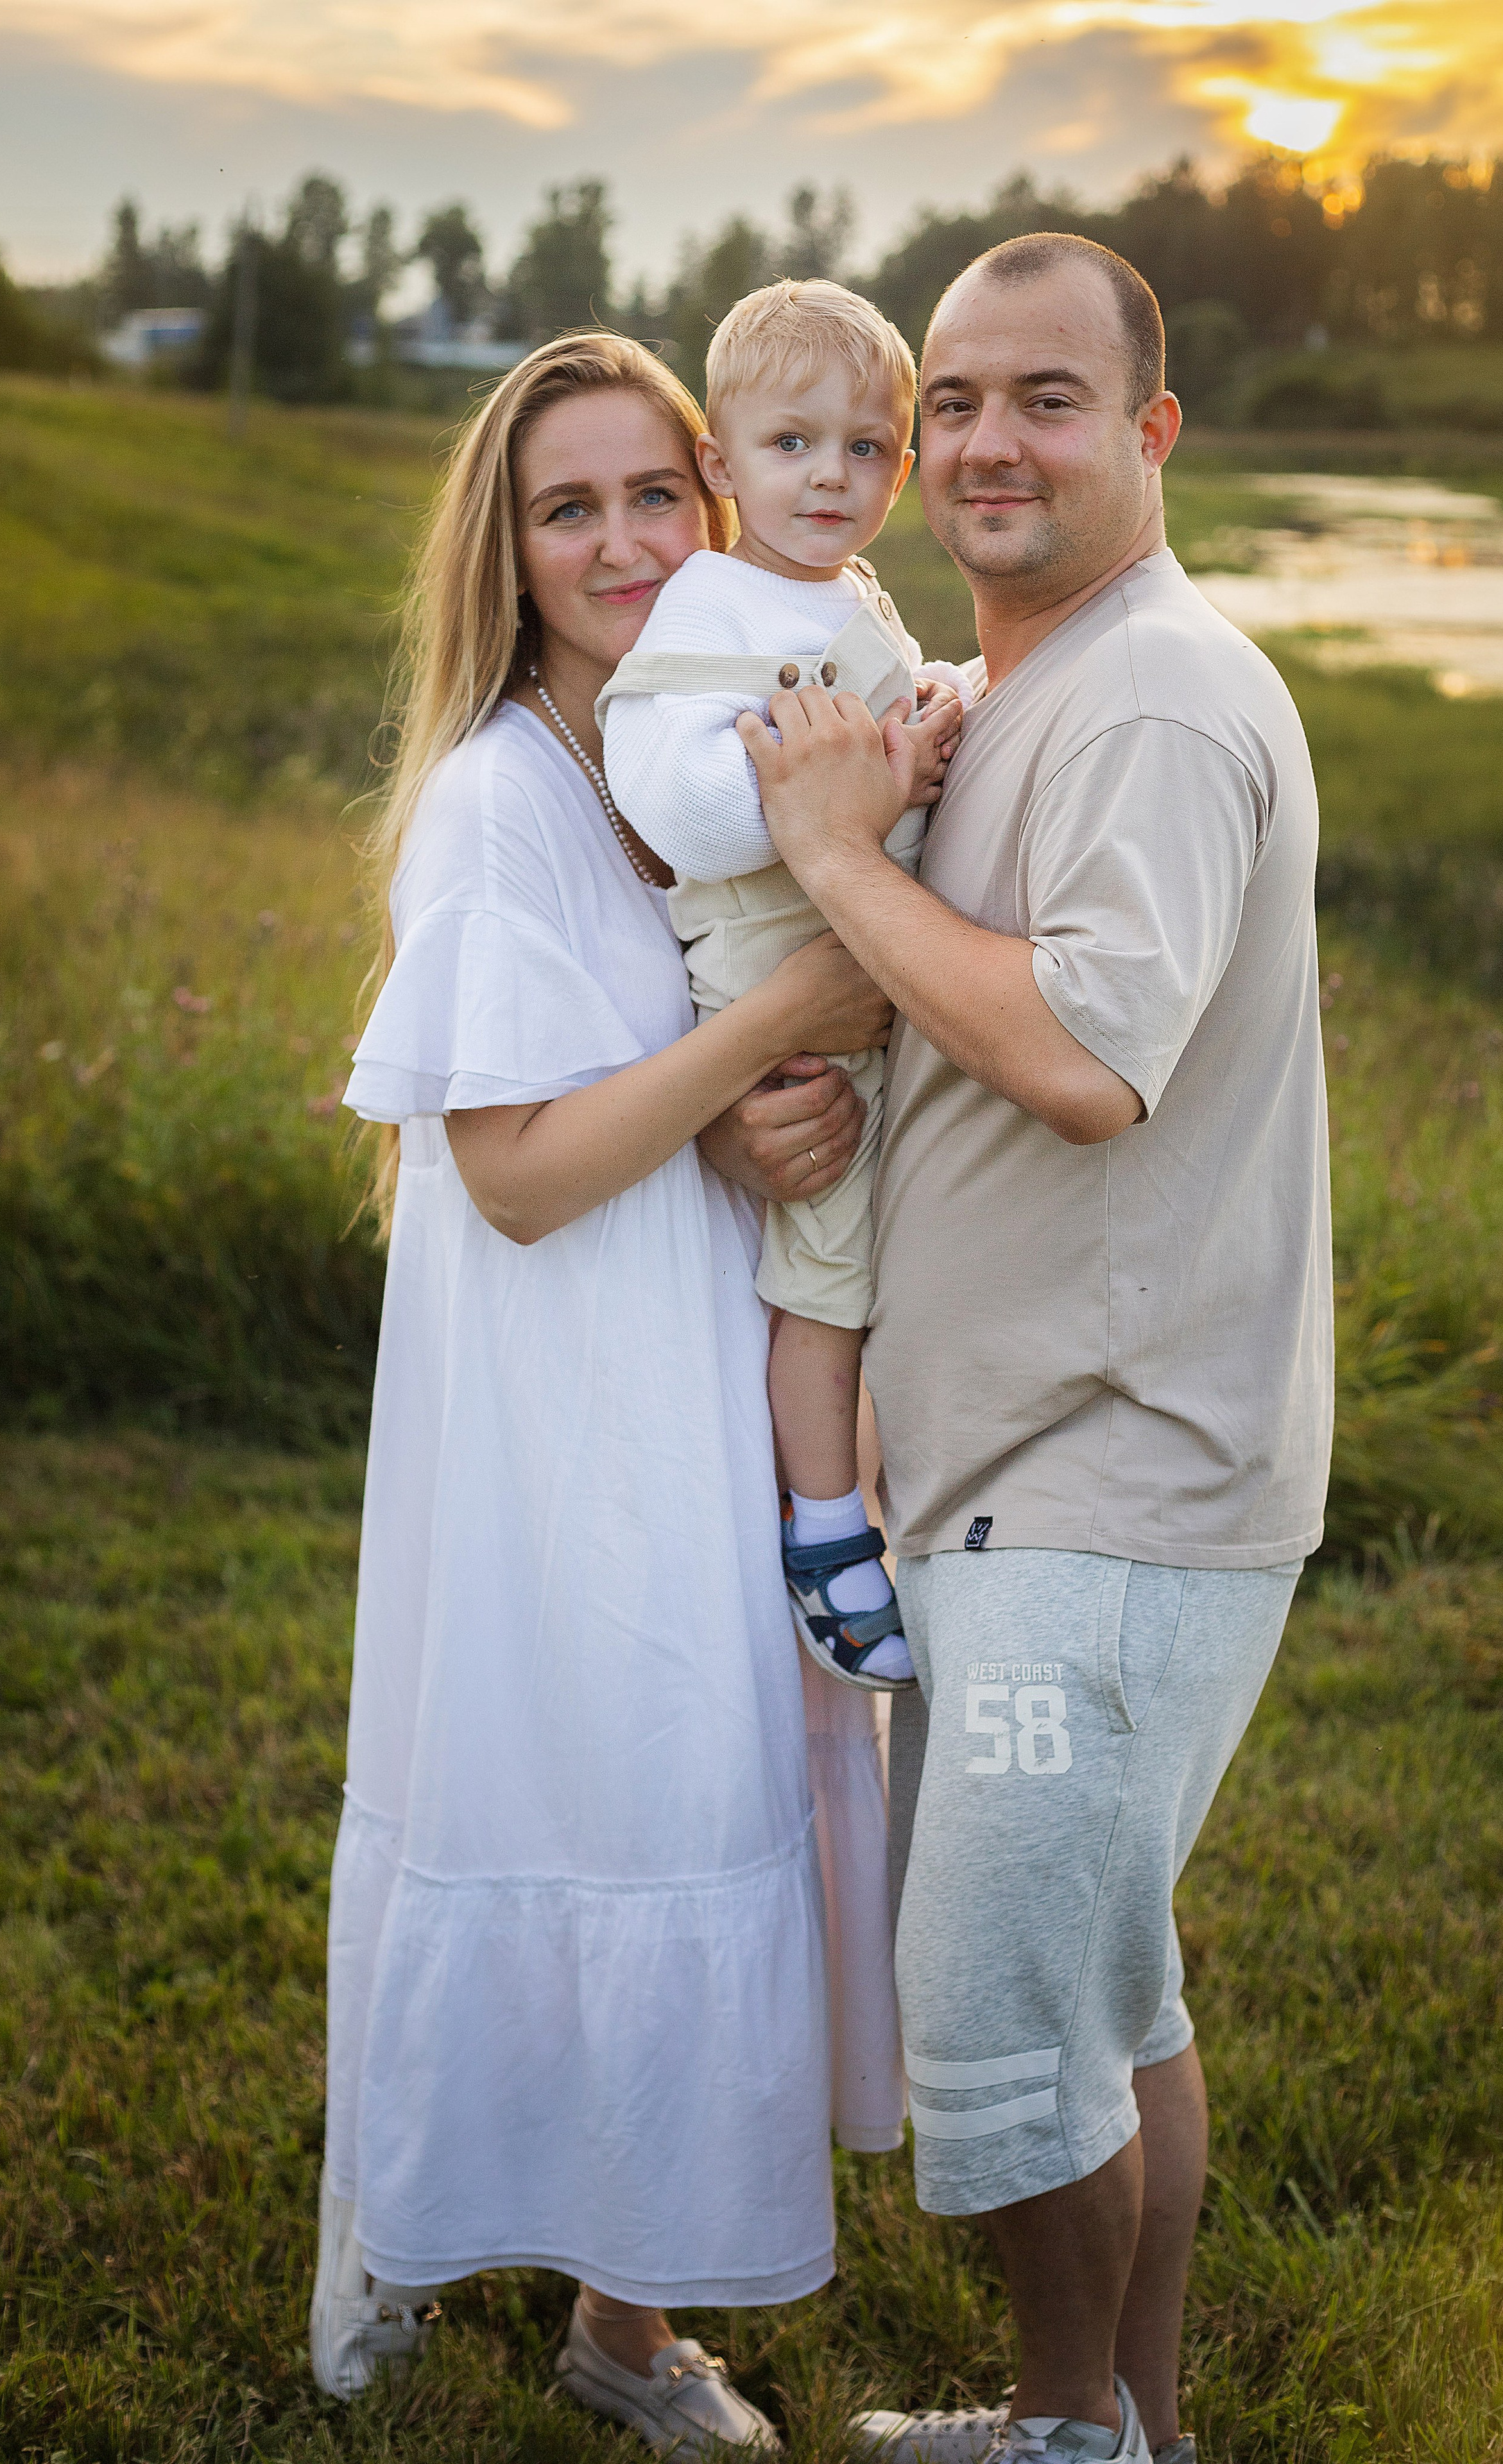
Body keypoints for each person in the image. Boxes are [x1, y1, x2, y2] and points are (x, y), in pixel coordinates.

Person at [732, 235, 1334, 2464]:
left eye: (1046, 398)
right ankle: (1124, 2434)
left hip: (1108, 1493)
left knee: (1001, 2024)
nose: (986, 440)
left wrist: (827, 854)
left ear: (1150, 434)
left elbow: (1085, 1052)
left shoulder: (1157, 697)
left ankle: (1072, 2438)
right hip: (1041, 1476)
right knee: (1110, 1997)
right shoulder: (1041, 689)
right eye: (954, 399)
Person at [312, 330, 907, 2446]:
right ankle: (565, 2301)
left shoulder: (708, 735)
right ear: (515, 542)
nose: (629, 540)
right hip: (575, 1402)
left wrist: (771, 1110)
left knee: (701, 1794)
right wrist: (776, 1040)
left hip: (701, 1350)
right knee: (620, 1793)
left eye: (659, 492)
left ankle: (618, 2324)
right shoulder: (501, 795)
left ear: (720, 493)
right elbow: (524, 1168)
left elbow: (677, 1064)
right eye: (573, 507)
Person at [601, 279, 966, 1697]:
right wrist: (878, 776)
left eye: (865, 449)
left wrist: (934, 703)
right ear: (720, 466)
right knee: (823, 1283)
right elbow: (688, 806)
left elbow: (867, 713)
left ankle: (896, 1498)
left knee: (876, 1270)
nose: (832, 477)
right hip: (787, 1013)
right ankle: (825, 1532)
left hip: (872, 981)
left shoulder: (838, 590)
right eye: (791, 445)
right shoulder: (707, 600)